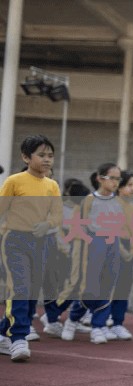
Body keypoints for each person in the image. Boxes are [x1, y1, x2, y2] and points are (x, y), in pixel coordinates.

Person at [0, 135, 62, 362]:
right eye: (41, 155)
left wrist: (48, 224)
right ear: (26, 157)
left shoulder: (52, 185)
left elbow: (57, 215)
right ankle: (19, 338)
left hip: (40, 243)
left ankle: (3, 332)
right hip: (15, 241)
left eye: (50, 156)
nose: (47, 160)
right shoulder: (14, 181)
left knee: (31, 293)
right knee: (20, 288)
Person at [56, 163, 130, 343]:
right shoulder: (89, 200)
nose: (115, 182)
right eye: (112, 178)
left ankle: (98, 326)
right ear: (100, 178)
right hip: (92, 243)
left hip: (111, 243)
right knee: (89, 287)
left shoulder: (118, 202)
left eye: (118, 179)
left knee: (107, 284)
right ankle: (73, 319)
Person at [41, 179, 91, 337]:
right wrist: (66, 249)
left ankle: (62, 316)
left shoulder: (80, 210)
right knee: (72, 285)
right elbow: (62, 233)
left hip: (75, 251)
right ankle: (52, 315)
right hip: (68, 252)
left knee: (75, 287)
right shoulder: (73, 211)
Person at [108, 171, 133, 340]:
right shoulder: (112, 204)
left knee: (124, 287)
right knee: (109, 284)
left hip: (128, 248)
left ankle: (118, 323)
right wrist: (121, 250)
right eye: (129, 185)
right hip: (113, 246)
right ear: (120, 187)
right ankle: (103, 319)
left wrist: (132, 251)